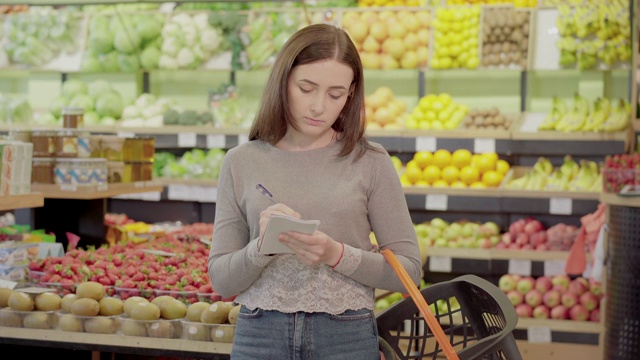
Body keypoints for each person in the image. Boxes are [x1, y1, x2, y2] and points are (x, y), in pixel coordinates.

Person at [208, 23, 422, 360]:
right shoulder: (241, 162)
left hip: (344, 336)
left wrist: (335, 254)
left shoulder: (371, 161)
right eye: (306, 88)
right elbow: (221, 280)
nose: (319, 106)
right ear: (284, 82)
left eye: (335, 94)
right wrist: (261, 248)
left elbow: (409, 273)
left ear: (351, 94)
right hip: (259, 334)